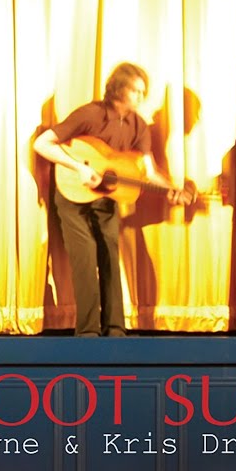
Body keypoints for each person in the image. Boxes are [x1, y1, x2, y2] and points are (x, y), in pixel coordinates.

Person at [33, 62, 182, 336]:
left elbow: (149, 172)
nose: (141, 96)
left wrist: (171, 189)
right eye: (135, 90)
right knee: (85, 258)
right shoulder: (91, 114)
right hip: (72, 195)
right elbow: (42, 143)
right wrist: (79, 168)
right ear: (119, 89)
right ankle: (88, 333)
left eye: (143, 91)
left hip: (105, 199)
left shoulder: (138, 126)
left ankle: (115, 330)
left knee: (110, 257)